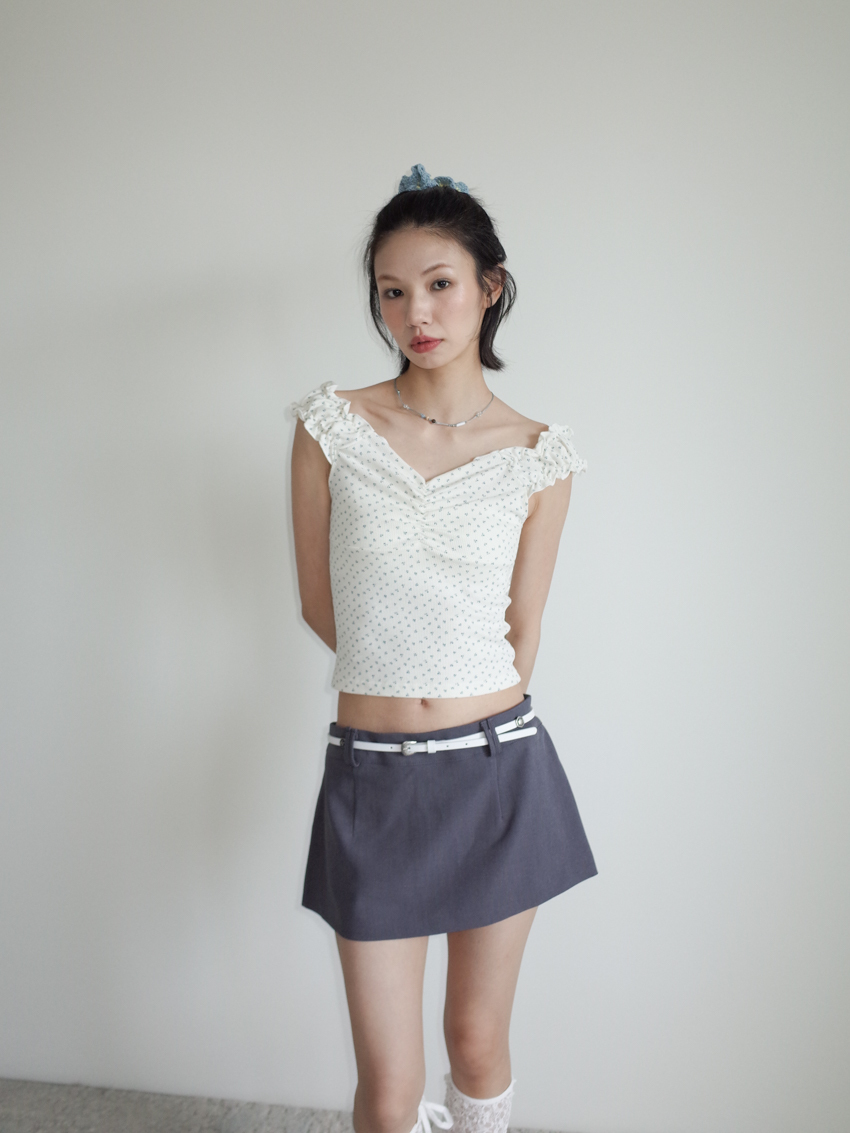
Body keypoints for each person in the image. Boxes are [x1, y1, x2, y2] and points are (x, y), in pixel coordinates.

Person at [290, 164, 597, 1133]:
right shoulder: (332, 427)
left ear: (488, 286)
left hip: (497, 773)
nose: (414, 312)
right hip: (373, 775)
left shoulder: (540, 453)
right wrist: (407, 674)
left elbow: (522, 629)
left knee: (475, 1039)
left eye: (438, 283)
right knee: (388, 1090)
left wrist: (456, 693)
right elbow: (321, 605)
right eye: (391, 290)